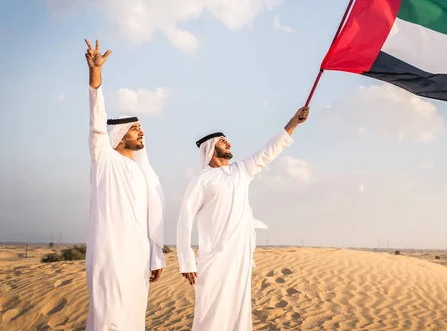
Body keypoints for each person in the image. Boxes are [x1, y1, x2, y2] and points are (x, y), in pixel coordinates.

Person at [176, 106, 310, 330]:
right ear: (210, 149)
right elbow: (184, 219)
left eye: (227, 140)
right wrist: (186, 260)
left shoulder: (241, 171)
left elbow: (268, 151)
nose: (228, 143)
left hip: (240, 256)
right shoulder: (201, 181)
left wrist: (293, 123)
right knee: (211, 312)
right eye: (222, 141)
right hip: (214, 258)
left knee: (238, 311)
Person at [84, 39, 166, 330]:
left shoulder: (140, 173)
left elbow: (149, 217)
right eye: (135, 128)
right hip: (110, 254)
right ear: (119, 134)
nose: (141, 131)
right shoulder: (104, 157)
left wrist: (154, 256)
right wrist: (96, 76)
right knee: (109, 319)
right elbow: (96, 121)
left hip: (137, 259)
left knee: (132, 319)